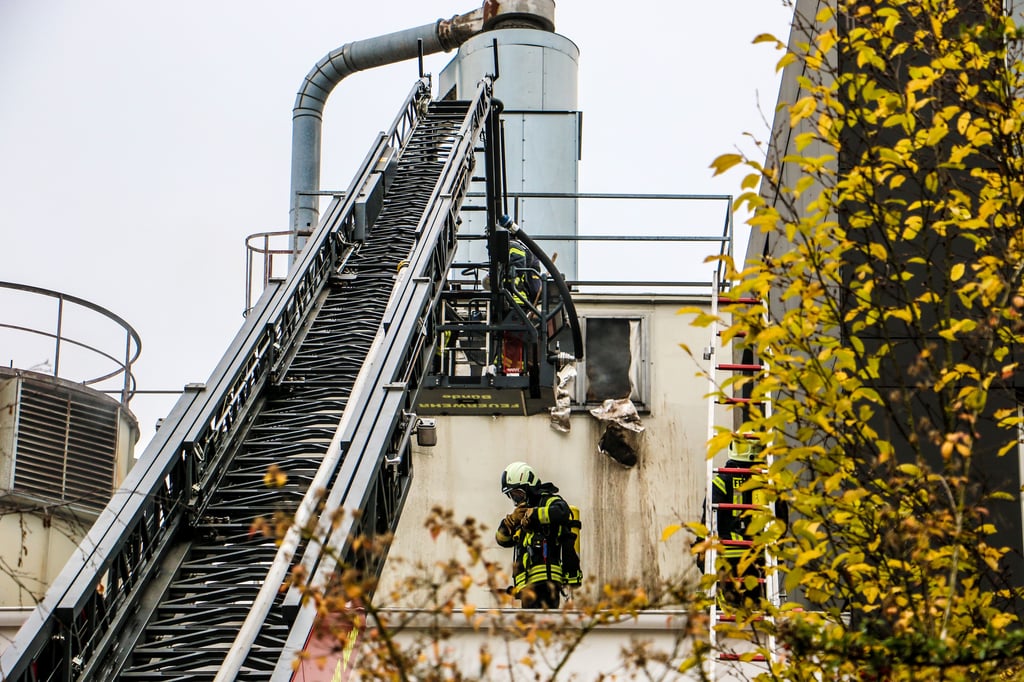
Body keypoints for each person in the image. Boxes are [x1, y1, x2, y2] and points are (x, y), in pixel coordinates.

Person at [702, 441, 787, 605]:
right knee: (755, 609)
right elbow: (781, 521)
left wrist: (701, 550)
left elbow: (707, 520)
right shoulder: (769, 484)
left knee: (728, 606)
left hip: (727, 557)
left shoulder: (721, 481)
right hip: (759, 558)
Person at [496, 461, 574, 608]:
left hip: (546, 583)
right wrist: (511, 521)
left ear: (529, 487)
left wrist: (536, 515)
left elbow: (563, 512)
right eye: (512, 496)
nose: (516, 500)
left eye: (518, 494)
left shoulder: (549, 501)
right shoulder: (520, 514)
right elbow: (501, 539)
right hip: (526, 586)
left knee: (543, 626)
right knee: (530, 628)